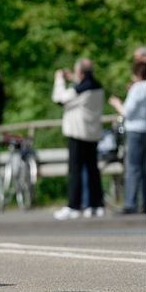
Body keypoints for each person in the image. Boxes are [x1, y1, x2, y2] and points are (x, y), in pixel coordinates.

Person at [52, 58, 106, 219]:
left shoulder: (80, 90)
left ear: (80, 72)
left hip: (77, 133)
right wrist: (74, 79)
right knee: (92, 170)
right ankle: (96, 205)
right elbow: (80, 89)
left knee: (75, 170)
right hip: (93, 133)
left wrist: (59, 80)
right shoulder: (97, 86)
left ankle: (73, 207)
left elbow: (59, 98)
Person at [108, 60, 146, 214]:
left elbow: (127, 112)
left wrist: (117, 103)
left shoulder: (137, 88)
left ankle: (130, 203)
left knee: (132, 168)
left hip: (136, 131)